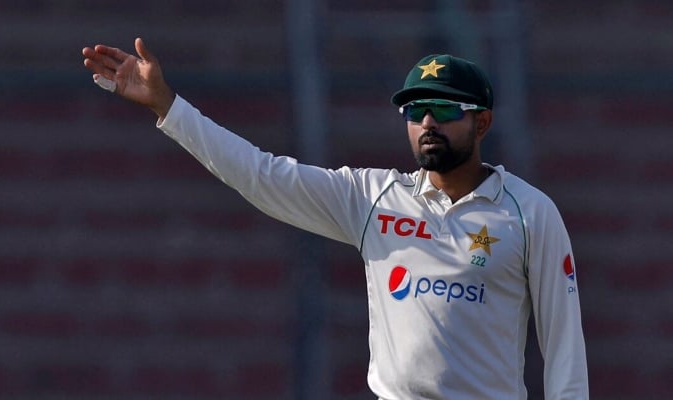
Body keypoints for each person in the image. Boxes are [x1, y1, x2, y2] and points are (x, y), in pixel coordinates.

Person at [82, 38, 589, 399]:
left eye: (442, 108)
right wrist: (169, 107)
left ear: (482, 122)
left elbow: (563, 348)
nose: (427, 122)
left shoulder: (529, 212)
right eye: (415, 112)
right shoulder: (375, 198)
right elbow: (263, 176)